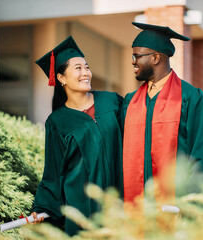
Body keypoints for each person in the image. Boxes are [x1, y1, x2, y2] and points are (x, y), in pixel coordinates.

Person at [31, 36, 123, 236]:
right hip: (84, 211)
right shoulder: (57, 122)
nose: (86, 73)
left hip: (122, 204)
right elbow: (54, 173)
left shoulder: (112, 101)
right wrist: (43, 208)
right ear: (61, 78)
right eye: (78, 68)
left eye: (86, 67)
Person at [122, 22, 203, 204]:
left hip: (177, 209)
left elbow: (202, 157)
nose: (133, 61)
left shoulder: (191, 98)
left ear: (156, 58)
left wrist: (192, 207)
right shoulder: (130, 101)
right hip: (137, 210)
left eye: (137, 56)